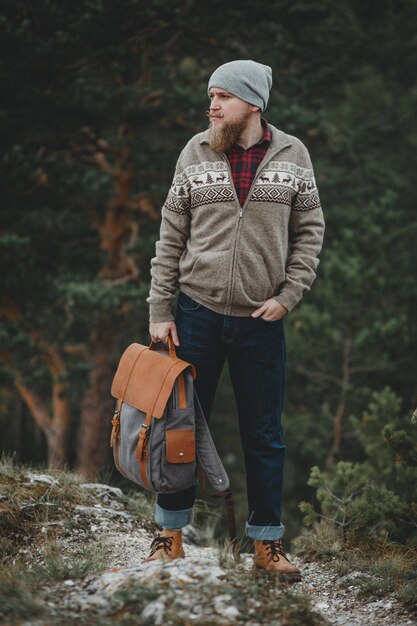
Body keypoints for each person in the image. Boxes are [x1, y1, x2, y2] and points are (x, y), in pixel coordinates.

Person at [145, 60, 325, 580]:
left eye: (223, 96)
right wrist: (160, 308)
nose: (212, 106)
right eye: (211, 97)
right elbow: (170, 234)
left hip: (261, 322)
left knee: (264, 434)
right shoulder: (195, 151)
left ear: (253, 102)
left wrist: (289, 295)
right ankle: (169, 536)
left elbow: (310, 232)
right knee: (177, 431)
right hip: (195, 315)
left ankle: (267, 545)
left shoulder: (294, 156)